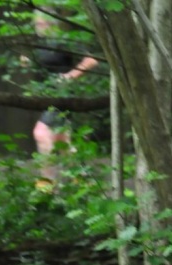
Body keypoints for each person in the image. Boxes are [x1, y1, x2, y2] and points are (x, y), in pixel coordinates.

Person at [30, 10, 99, 185]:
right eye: (35, 23)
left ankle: (47, 184)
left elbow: (90, 61)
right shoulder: (39, 44)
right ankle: (83, 183)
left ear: (51, 22)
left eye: (40, 22)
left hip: (62, 97)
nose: (37, 26)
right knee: (62, 142)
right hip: (49, 97)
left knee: (41, 132)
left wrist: (68, 77)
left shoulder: (62, 40)